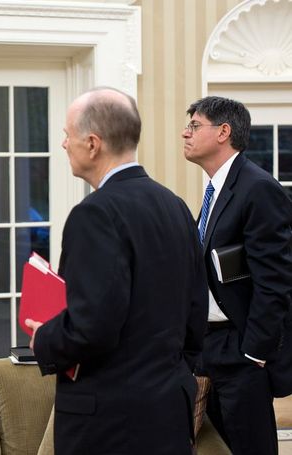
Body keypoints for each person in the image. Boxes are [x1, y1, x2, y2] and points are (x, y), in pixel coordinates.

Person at [25, 88, 208, 454]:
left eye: (67, 136)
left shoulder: (95, 214)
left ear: (93, 144)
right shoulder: (175, 206)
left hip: (109, 422)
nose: (63, 145)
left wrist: (42, 340)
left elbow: (92, 327)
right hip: (168, 411)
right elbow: (196, 314)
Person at [183, 96, 292, 455]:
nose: (186, 133)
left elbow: (275, 279)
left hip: (241, 351)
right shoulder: (215, 188)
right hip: (210, 347)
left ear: (223, 132)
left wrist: (254, 354)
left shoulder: (257, 188)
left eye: (195, 125)